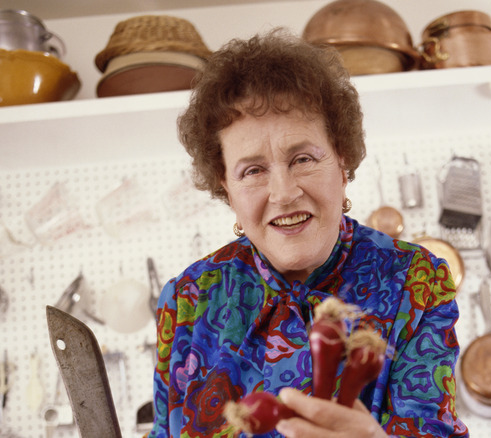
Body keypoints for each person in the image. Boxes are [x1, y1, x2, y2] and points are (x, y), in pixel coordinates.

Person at [148, 29, 468, 438]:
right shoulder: (186, 300)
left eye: (302, 159)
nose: (283, 193)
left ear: (342, 160)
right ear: (226, 188)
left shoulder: (415, 280)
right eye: (252, 170)